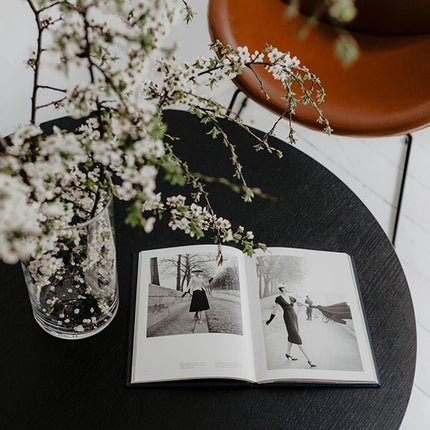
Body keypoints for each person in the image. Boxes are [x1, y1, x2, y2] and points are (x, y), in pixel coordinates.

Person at [266, 283, 316, 368]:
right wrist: (269, 320)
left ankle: (288, 354)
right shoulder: (278, 298)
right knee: (297, 338)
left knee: (292, 336)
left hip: (294, 317)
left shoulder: (290, 297)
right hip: (288, 318)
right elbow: (274, 311)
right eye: (286, 287)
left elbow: (299, 302)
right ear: (282, 289)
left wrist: (309, 306)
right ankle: (309, 360)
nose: (287, 287)